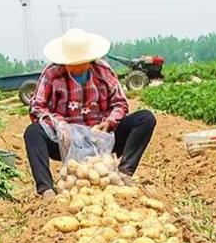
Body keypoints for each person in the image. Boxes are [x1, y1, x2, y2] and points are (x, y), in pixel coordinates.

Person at [24, 28, 157, 198]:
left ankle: (124, 172)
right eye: (72, 64)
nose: (77, 67)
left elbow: (120, 103)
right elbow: (36, 108)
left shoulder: (103, 71)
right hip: (66, 143)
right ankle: (46, 189)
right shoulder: (52, 74)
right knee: (33, 132)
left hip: (100, 139)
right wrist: (61, 126)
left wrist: (109, 122)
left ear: (90, 59)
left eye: (82, 63)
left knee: (145, 119)